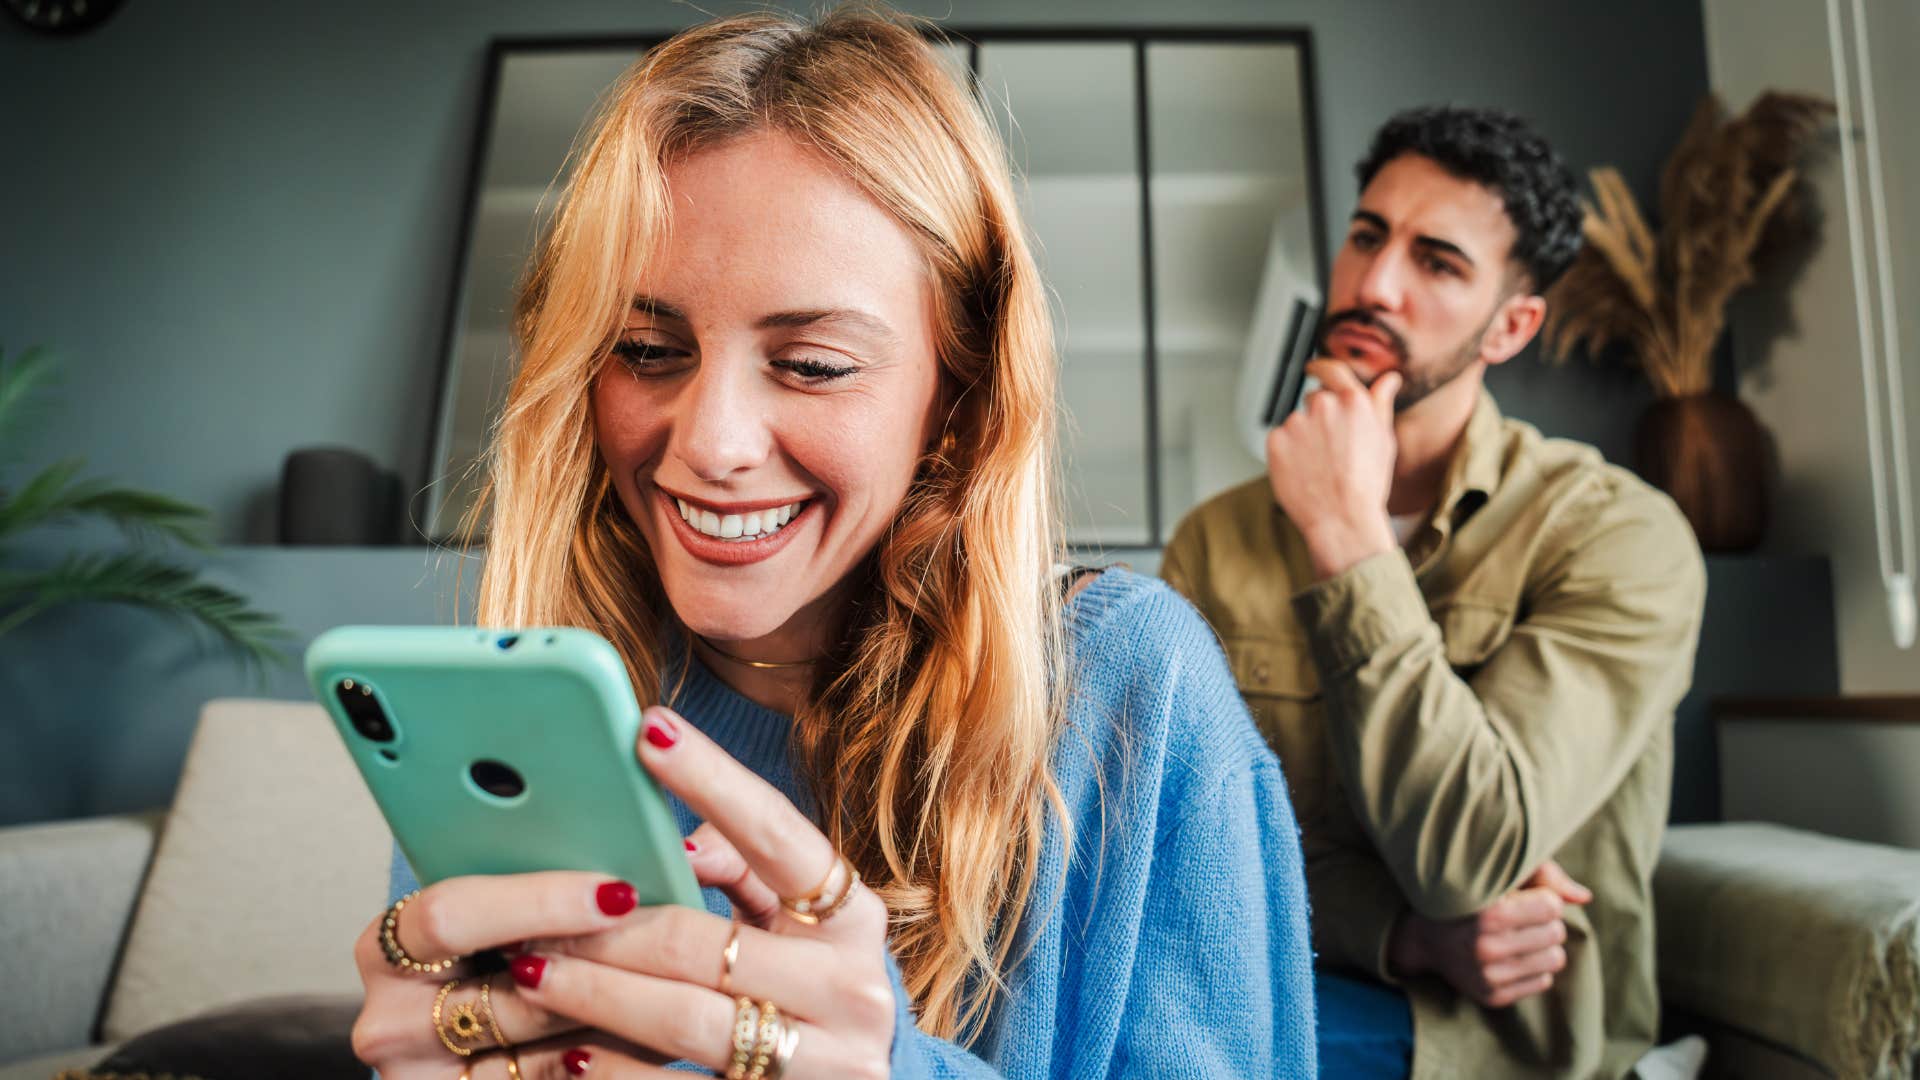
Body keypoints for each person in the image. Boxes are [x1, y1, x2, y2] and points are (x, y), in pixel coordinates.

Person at [348, 10, 1315, 1079]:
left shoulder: (1134, 693)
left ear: (959, 395)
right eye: (646, 349)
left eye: (811, 365)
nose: (710, 444)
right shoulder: (526, 717)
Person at [1161, 105, 1707, 1079]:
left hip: (1488, 1046)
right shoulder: (1217, 541)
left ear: (1512, 325)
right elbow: (1196, 852)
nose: (1374, 285)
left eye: (1437, 263)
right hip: (1279, 973)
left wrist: (1345, 532)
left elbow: (1469, 850)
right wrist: (1406, 933)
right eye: (1368, 236)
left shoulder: (1622, 537)